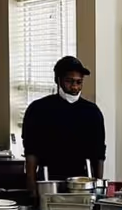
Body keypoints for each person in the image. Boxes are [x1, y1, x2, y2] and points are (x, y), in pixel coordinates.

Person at [21, 55, 106, 196]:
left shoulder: (92, 112)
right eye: (69, 81)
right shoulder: (38, 109)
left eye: (79, 82)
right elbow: (31, 152)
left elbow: (98, 154)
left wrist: (98, 187)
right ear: (58, 80)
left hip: (81, 180)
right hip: (48, 178)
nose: (74, 87)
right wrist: (31, 185)